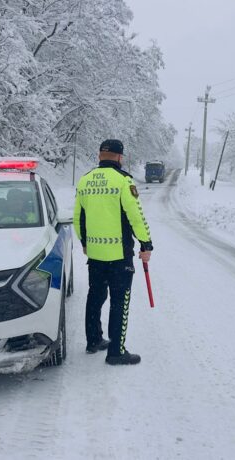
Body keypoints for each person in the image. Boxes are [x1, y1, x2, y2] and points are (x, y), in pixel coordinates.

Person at [73, 139, 153, 365]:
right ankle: (116, 352)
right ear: (120, 157)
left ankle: (94, 340)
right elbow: (135, 216)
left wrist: (85, 243)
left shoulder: (85, 180)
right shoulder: (123, 181)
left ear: (100, 155)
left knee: (95, 296)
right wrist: (146, 244)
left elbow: (78, 218)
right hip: (119, 256)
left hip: (95, 254)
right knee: (119, 301)